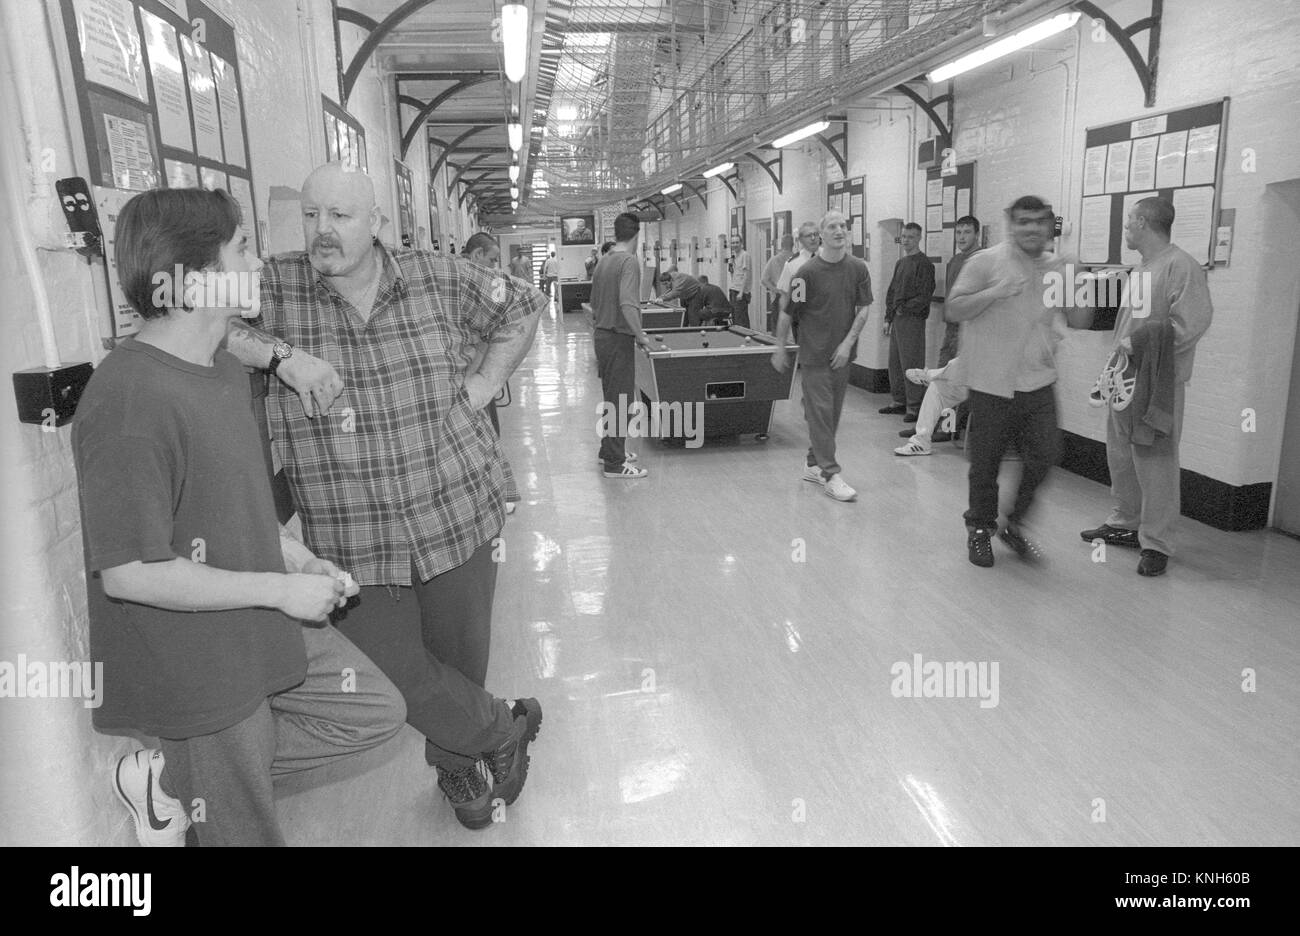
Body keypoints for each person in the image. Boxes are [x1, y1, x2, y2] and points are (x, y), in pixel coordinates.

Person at [73, 187, 406, 846]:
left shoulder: (222, 368)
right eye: (243, 249)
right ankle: (200, 776)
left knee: (373, 710)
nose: (258, 264)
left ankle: (177, 780)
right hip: (198, 669)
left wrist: (299, 561)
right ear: (195, 281)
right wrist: (282, 590)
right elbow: (131, 574)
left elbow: (235, 501)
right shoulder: (129, 401)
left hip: (258, 625)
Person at [223, 163, 544, 829]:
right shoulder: (275, 285)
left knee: (458, 663)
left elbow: (522, 304)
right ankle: (504, 731)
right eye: (311, 215)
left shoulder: (439, 275)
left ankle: (457, 767)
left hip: (457, 508)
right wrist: (282, 358)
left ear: (376, 224)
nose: (322, 230)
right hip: (352, 533)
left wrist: (483, 386)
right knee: (395, 678)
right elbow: (191, 315)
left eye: (339, 216)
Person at [946, 195, 1093, 568]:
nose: (1031, 229)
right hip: (990, 380)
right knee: (986, 463)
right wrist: (995, 291)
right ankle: (979, 529)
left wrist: (1078, 280)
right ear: (1011, 223)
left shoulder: (1060, 267)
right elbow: (954, 308)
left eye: (1039, 222)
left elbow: (1079, 320)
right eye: (1023, 221)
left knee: (1046, 454)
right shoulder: (985, 261)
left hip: (1038, 380)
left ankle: (1015, 523)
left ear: (1049, 227)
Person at [1079, 196, 1213, 577]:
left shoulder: (1181, 266)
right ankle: (1126, 522)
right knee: (1120, 454)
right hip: (1125, 378)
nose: (1125, 230)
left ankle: (1157, 542)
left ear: (1142, 222)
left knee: (1156, 462)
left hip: (1157, 384)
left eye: (1128, 223)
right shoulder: (1142, 269)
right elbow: (1128, 326)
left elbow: (1191, 324)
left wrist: (1137, 344)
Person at [771, 210, 873, 502]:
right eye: (832, 227)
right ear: (821, 235)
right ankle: (830, 474)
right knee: (820, 415)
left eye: (843, 226)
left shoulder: (858, 269)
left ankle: (813, 463)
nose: (839, 230)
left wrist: (847, 344)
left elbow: (864, 309)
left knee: (832, 416)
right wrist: (780, 346)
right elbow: (788, 313)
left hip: (843, 356)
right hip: (814, 356)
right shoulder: (807, 273)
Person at [462, 234, 524, 515]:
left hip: (481, 370)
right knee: (480, 434)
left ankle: (492, 491)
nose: (495, 265)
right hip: (470, 374)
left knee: (487, 431)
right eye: (491, 259)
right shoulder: (463, 284)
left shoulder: (480, 283)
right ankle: (490, 495)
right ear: (476, 256)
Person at [592, 212, 653, 478]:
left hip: (602, 337)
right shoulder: (629, 261)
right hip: (618, 338)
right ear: (637, 235)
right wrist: (641, 336)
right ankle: (615, 465)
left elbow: (594, 303)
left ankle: (609, 450)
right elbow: (628, 303)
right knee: (621, 401)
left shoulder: (604, 261)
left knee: (611, 398)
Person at [881, 222, 935, 422]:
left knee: (911, 362)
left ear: (919, 238)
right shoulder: (900, 263)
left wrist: (905, 308)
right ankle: (899, 401)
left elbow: (924, 295)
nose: (906, 240)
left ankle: (914, 406)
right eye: (904, 236)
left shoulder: (924, 264)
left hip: (912, 319)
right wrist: (889, 316)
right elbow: (892, 291)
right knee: (895, 362)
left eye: (911, 237)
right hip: (897, 318)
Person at [761, 234, 795, 333]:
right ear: (793, 245)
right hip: (794, 296)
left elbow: (764, 279)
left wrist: (774, 289)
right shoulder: (797, 259)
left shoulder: (774, 259)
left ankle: (776, 347)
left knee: (777, 328)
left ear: (781, 244)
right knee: (793, 328)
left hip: (778, 296)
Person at [728, 234, 752, 328]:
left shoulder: (745, 255)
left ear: (741, 243)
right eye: (733, 242)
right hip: (733, 289)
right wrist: (730, 265)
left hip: (740, 291)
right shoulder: (734, 256)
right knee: (735, 318)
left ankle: (746, 339)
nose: (735, 244)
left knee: (741, 319)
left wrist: (741, 292)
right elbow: (733, 275)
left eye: (737, 242)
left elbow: (746, 274)